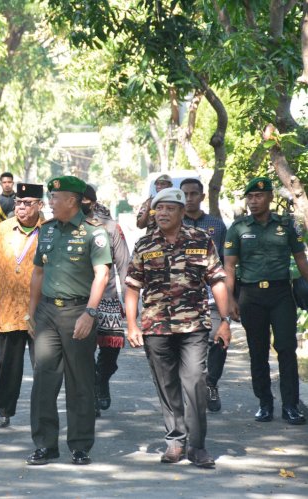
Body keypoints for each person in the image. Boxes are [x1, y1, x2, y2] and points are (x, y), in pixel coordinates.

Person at [125, 187, 231, 468]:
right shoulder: (145, 245)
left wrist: (225, 321)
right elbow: (132, 287)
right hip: (156, 327)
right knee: (166, 383)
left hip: (194, 325)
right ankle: (175, 441)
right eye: (159, 209)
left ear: (182, 212)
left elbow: (217, 280)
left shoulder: (201, 240)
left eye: (169, 209)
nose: (162, 213)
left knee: (195, 380)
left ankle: (196, 446)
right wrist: (132, 324)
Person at [26, 176, 111, 466]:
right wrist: (31, 312)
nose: (50, 202)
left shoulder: (93, 234)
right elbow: (38, 273)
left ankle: (80, 445)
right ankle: (45, 445)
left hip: (78, 313)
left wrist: (90, 312)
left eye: (55, 197)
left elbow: (103, 274)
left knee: (80, 382)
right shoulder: (46, 231)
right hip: (47, 314)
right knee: (43, 381)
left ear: (72, 201)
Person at [224, 177, 308, 425]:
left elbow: (301, 259)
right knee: (258, 351)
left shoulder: (286, 226)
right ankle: (264, 403)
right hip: (251, 296)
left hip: (281, 294)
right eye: (249, 197)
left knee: (286, 348)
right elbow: (229, 266)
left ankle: (291, 405)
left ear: (270, 197)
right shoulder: (238, 228)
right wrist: (230, 299)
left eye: (258, 196)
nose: (253, 201)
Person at [0, 183, 43, 428]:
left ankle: (42, 411)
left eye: (27, 202)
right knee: (8, 368)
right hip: (7, 313)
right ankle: (4, 409)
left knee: (44, 366)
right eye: (18, 202)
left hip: (40, 314)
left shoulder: (49, 231)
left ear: (40, 204)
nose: (21, 207)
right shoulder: (2, 230)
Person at [180, 178, 229, 412]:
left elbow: (227, 263)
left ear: (202, 196)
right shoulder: (173, 222)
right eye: (185, 194)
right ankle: (191, 387)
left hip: (212, 293)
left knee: (219, 341)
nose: (189, 198)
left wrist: (231, 296)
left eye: (193, 194)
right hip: (183, 297)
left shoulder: (217, 225)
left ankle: (211, 383)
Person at [81, 185, 130, 416]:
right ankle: (91, 393)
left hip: (108, 299)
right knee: (83, 351)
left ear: (91, 201)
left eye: (83, 200)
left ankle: (102, 379)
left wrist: (131, 304)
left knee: (110, 353)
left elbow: (124, 266)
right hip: (79, 300)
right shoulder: (68, 227)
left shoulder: (110, 227)